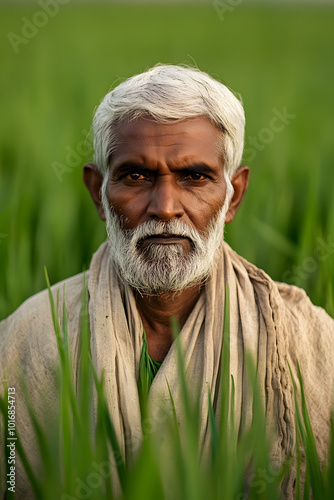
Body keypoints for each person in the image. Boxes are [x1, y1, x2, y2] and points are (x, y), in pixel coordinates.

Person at [1, 64, 333, 499]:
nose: (165, 207)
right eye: (136, 176)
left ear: (233, 195)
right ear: (99, 193)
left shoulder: (310, 342)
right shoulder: (25, 341)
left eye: (195, 176)